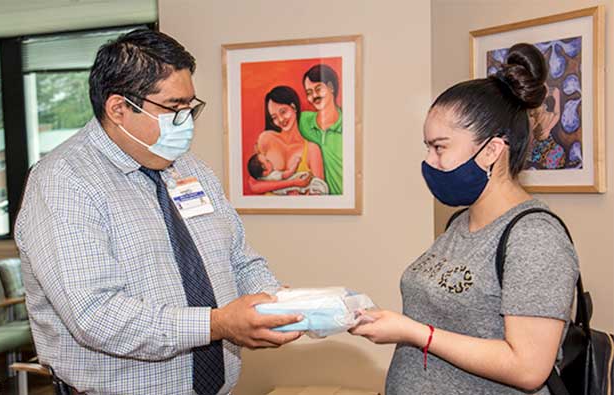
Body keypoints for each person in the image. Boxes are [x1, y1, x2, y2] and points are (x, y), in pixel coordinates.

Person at [15, 29, 303, 395]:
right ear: (119, 108)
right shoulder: (63, 183)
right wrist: (217, 324)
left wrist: (273, 302)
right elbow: (97, 315)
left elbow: (238, 259)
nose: (186, 120)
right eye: (173, 108)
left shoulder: (191, 169)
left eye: (190, 107)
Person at [350, 43, 579, 395]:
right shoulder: (459, 222)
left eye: (439, 147)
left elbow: (529, 366)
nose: (429, 161)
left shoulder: (534, 237)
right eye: (427, 147)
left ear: (491, 151)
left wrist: (413, 332)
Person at [247, 85, 324, 195]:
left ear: (294, 107)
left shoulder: (312, 149)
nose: (281, 119)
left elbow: (320, 191)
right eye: (274, 117)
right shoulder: (266, 139)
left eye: (283, 111)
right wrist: (293, 183)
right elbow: (253, 186)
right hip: (265, 210)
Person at [298, 64, 343, 195]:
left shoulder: (348, 125)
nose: (314, 96)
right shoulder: (303, 121)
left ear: (331, 87)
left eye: (318, 89)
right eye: (309, 92)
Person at [247, 152, 328, 195]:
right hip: (290, 187)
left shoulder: (263, 179)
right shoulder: (273, 176)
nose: (270, 161)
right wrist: (295, 164)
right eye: (267, 161)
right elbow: (287, 174)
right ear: (265, 171)